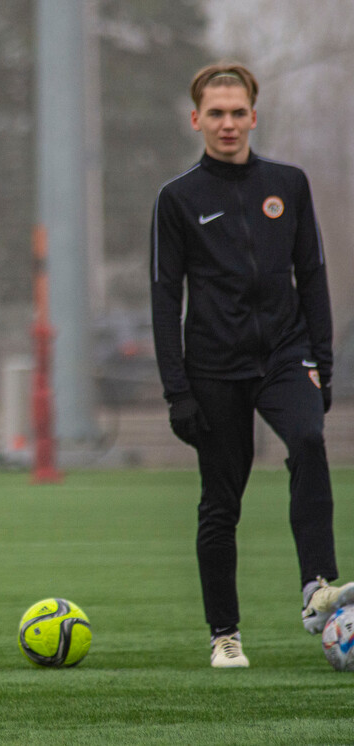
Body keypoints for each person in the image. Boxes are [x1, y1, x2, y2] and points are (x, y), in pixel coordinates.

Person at [151, 61, 354, 669]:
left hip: (286, 355)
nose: (228, 123)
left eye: (238, 112)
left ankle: (317, 588)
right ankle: (224, 634)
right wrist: (176, 392)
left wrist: (323, 358)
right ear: (197, 120)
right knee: (221, 502)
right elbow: (165, 296)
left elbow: (312, 273)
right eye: (216, 113)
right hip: (213, 369)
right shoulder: (177, 198)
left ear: (253, 117)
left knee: (310, 441)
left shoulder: (288, 184)